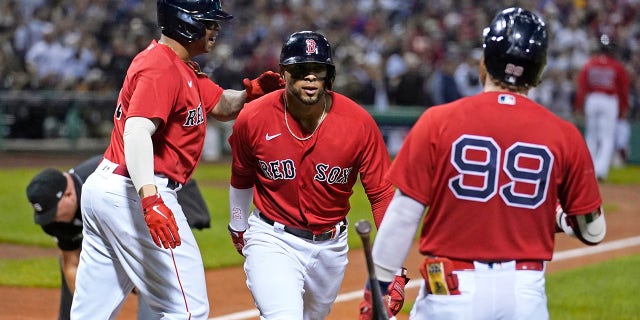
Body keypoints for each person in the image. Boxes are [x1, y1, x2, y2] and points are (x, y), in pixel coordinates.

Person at [362, 7, 606, 320]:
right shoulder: (565, 134)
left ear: (485, 59)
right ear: (539, 70)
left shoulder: (438, 122)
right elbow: (593, 231)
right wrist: (557, 217)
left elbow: (403, 215)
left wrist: (377, 290)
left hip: (452, 292)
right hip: (524, 293)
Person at [69, 1, 284, 319]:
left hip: (110, 189)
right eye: (208, 22)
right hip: (136, 188)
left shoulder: (180, 66)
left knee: (91, 313)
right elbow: (138, 131)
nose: (215, 29)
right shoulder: (161, 67)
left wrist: (248, 95)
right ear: (186, 23)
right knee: (187, 309)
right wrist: (150, 199)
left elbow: (220, 106)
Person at [226, 30, 407, 319]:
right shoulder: (254, 117)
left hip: (331, 247)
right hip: (272, 238)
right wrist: (237, 224)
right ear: (284, 73)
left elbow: (383, 194)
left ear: (329, 76)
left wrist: (394, 267)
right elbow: (241, 173)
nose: (310, 78)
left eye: (317, 70)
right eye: (300, 70)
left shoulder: (358, 123)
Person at [25, 155, 211, 320]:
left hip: (162, 199)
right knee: (78, 305)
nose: (53, 219)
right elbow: (72, 264)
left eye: (54, 212)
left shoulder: (101, 184)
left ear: (69, 194)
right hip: (125, 218)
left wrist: (138, 276)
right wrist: (91, 301)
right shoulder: (54, 221)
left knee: (159, 282)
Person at [575, 33, 630, 181]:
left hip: (592, 99)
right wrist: (624, 107)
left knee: (591, 136)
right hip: (608, 100)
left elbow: (582, 87)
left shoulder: (589, 64)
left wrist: (579, 105)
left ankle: (588, 171)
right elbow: (623, 89)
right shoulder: (617, 67)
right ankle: (600, 171)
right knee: (607, 137)